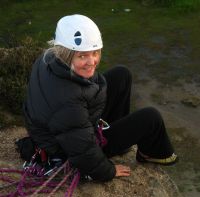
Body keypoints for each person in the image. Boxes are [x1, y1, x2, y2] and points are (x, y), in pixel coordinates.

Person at [23, 14, 178, 182]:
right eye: (82, 56)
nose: (92, 61)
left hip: (62, 130)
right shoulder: (68, 102)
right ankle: (149, 154)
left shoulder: (48, 58)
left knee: (121, 74)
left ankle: (120, 142)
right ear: (67, 55)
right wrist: (107, 171)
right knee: (151, 118)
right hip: (65, 150)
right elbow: (83, 151)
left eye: (95, 53)